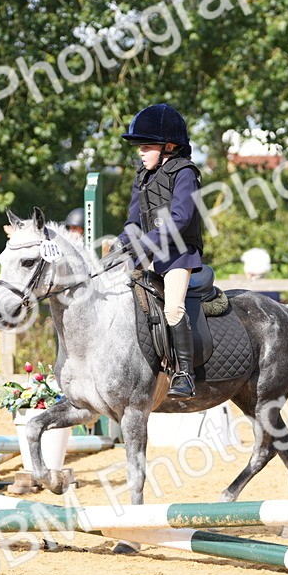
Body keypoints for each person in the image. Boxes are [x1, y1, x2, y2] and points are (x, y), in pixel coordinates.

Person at [115, 103, 203, 399]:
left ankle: (184, 375)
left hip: (179, 254)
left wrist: (144, 242)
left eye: (146, 146)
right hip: (150, 254)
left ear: (169, 146)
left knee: (173, 307)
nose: (140, 152)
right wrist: (122, 243)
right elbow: (133, 221)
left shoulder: (185, 173)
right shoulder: (142, 176)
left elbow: (180, 219)